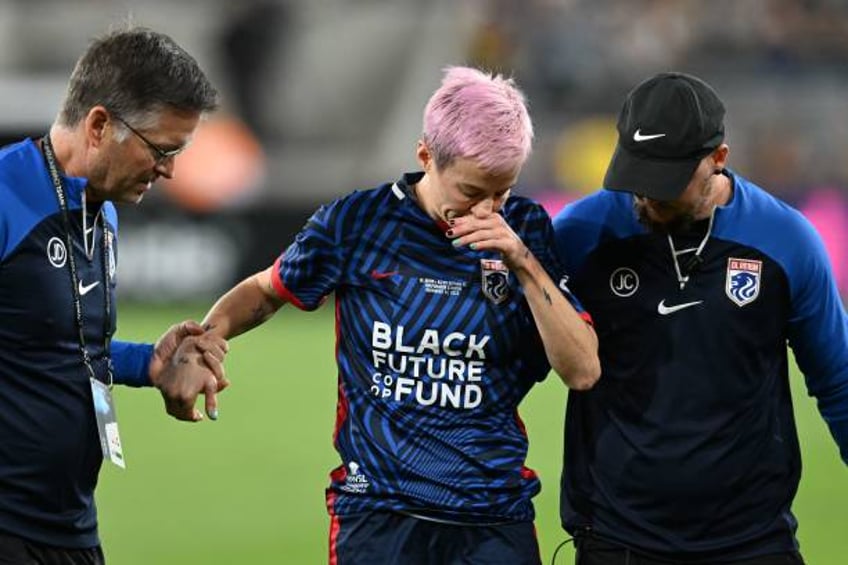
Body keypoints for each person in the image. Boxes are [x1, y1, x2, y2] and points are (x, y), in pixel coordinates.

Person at [198, 66, 600, 564]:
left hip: (492, 517)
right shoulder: (358, 223)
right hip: (378, 516)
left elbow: (582, 370)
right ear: (426, 156)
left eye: (503, 192)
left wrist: (521, 261)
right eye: (472, 192)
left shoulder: (526, 230)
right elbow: (266, 289)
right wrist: (206, 339)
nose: (488, 210)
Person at [552, 71, 848, 564]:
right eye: (637, 176)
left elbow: (839, 381)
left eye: (665, 183)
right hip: (616, 539)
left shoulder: (785, 241)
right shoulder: (583, 234)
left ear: (718, 159)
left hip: (753, 542)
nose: (645, 197)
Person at [0, 26, 229, 563]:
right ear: (100, 125)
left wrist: (149, 362)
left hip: (69, 527)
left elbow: (60, 344)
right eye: (161, 149)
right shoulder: (6, 196)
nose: (170, 170)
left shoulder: (101, 212)